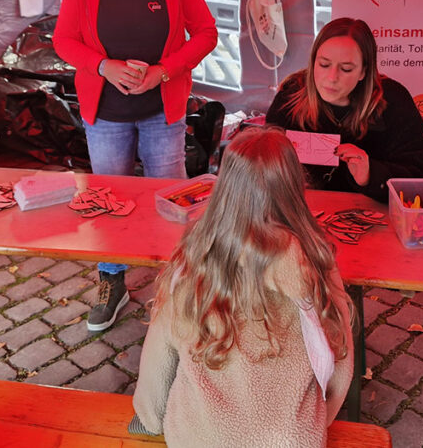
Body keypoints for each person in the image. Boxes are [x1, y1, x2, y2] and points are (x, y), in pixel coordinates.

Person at [53, 0, 218, 331]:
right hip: (104, 111)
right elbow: (63, 40)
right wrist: (103, 66)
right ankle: (113, 282)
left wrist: (163, 71)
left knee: (172, 198)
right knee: (109, 200)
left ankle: (181, 283)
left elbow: (205, 32)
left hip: (162, 109)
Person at [129, 127, 354, 447]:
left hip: (198, 437)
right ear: (294, 185)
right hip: (290, 440)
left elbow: (158, 356)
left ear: (224, 185)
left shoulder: (194, 258)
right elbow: (339, 360)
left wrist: (150, 419)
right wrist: (319, 419)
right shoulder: (316, 261)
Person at [265, 17, 423, 203]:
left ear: (364, 71)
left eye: (346, 69)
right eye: (324, 64)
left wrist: (372, 175)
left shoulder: (394, 101)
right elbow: (260, 162)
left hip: (372, 216)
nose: (331, 77)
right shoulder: (291, 95)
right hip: (303, 212)